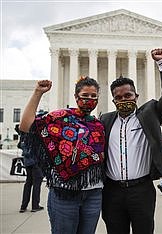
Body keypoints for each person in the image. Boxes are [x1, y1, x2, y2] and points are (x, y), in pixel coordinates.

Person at [100, 48, 162, 234]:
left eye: (128, 96)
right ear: (113, 101)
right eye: (118, 98)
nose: (123, 100)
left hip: (141, 190)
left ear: (136, 96)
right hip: (112, 192)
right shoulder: (105, 120)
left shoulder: (149, 114)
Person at [19, 77, 105, 234]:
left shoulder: (98, 125)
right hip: (64, 192)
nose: (89, 100)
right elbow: (26, 126)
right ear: (76, 96)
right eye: (85, 95)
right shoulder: (60, 118)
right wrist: (38, 93)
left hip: (93, 194)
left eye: (94, 96)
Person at [17, 120, 44, 213]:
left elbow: (19, 145)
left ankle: (23, 206)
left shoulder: (24, 135)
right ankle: (35, 205)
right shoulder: (35, 134)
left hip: (27, 161)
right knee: (37, 182)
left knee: (28, 183)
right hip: (35, 162)